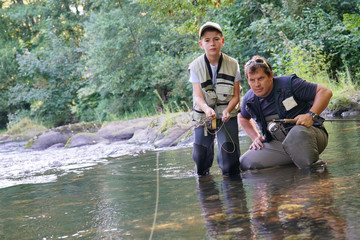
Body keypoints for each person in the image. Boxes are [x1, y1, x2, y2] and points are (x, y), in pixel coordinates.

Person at [238, 55, 332, 170]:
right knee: (245, 162)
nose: (256, 84)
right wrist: (255, 137)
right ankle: (292, 170)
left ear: (270, 75)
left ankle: (314, 173)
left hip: (309, 136)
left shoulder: (290, 84)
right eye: (252, 80)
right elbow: (243, 118)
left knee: (297, 133)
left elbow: (325, 92)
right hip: (279, 145)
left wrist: (311, 115)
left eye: (260, 78)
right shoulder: (249, 99)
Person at [188, 22, 241, 176]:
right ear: (201, 44)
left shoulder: (233, 64)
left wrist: (227, 111)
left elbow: (236, 95)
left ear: (222, 41)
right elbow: (197, 97)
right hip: (204, 115)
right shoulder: (195, 66)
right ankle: (206, 190)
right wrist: (207, 110)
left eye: (216, 39)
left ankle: (233, 190)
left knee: (230, 161)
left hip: (227, 114)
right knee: (201, 158)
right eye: (207, 40)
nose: (212, 43)